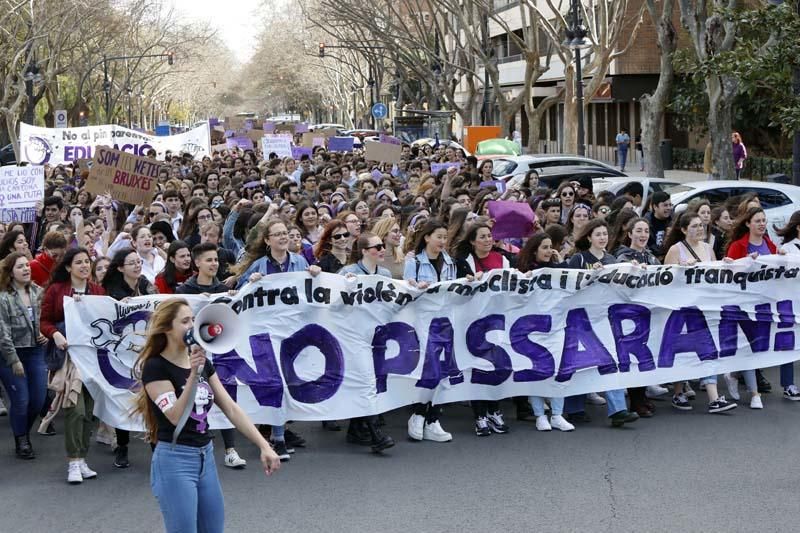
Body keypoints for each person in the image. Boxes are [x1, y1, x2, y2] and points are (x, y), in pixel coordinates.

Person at [134, 299, 280, 533]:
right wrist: (193, 374)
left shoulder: (204, 364)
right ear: (167, 328)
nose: (192, 325)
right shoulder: (155, 367)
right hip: (175, 460)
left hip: (206, 457)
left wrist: (263, 445)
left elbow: (231, 408)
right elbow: (173, 415)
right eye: (185, 321)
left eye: (193, 319)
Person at [233, 219, 320, 459]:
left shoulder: (300, 261)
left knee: (289, 383)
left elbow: (312, 291)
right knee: (276, 383)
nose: (284, 237)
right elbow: (240, 293)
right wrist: (249, 283)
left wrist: (315, 274)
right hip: (266, 333)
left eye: (286, 233)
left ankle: (276, 433)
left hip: (292, 332)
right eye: (278, 234)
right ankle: (278, 438)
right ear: (267, 240)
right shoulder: (259, 265)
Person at [40, 248, 105, 484]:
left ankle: (82, 458)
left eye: (87, 262)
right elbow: (44, 321)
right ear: (68, 267)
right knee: (74, 409)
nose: (85, 266)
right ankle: (73, 461)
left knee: (88, 411)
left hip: (92, 358)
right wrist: (55, 334)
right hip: (69, 357)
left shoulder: (97, 291)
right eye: (79, 262)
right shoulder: (56, 290)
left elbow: (105, 320)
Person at [566, 219, 640, 427]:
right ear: (589, 237)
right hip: (580, 319)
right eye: (598, 234)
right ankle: (574, 408)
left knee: (611, 361)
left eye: (605, 234)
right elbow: (570, 287)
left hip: (605, 318)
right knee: (579, 364)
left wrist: (632, 270)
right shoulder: (579, 259)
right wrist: (590, 276)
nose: (602, 238)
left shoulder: (612, 259)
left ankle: (618, 410)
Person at [663, 212, 737, 413]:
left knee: (708, 350)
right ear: (684, 229)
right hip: (682, 310)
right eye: (694, 226)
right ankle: (678, 392)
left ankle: (713, 398)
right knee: (682, 353)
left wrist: (727, 266)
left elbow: (715, 275)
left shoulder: (707, 249)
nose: (699, 229)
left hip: (704, 308)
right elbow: (663, 281)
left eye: (700, 225)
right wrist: (680, 268)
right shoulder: (675, 250)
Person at [725, 207, 798, 404]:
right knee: (749, 345)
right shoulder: (738, 245)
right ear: (748, 224)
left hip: (766, 303)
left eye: (764, 220)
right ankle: (754, 393)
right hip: (744, 303)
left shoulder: (769, 245)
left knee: (760, 344)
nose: (762, 224)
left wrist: (781, 257)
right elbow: (728, 273)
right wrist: (746, 262)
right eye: (757, 220)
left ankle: (733, 373)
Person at [337, 233, 396, 452]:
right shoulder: (347, 272)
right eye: (377, 246)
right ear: (363, 251)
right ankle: (375, 434)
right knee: (366, 381)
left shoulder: (386, 273)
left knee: (372, 380)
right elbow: (332, 304)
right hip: (354, 336)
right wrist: (346, 289)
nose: (382, 249)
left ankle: (356, 427)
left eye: (382, 246)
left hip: (378, 335)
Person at [452, 221, 511, 436]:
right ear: (472, 241)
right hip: (473, 322)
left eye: (489, 236)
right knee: (478, 367)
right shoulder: (463, 262)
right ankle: (480, 415)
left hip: (496, 321)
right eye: (483, 236)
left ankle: (495, 409)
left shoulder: (503, 259)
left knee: (497, 367)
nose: (488, 240)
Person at [513, 233, 575, 432]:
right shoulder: (522, 271)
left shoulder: (557, 270)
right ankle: (540, 415)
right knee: (536, 372)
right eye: (545, 247)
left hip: (555, 327)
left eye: (551, 247)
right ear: (534, 250)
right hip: (531, 330)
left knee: (559, 371)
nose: (549, 251)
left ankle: (557, 414)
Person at [403, 219, 456, 443]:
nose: (442, 241)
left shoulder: (450, 263)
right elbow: (405, 292)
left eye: (445, 237)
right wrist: (415, 287)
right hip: (423, 322)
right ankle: (418, 413)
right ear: (427, 237)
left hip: (446, 321)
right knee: (429, 368)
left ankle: (431, 417)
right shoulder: (414, 262)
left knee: (443, 370)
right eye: (439, 237)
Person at [0, 253, 48, 459]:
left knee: (38, 399)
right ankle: (22, 440)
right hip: (10, 353)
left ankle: (22, 430)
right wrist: (14, 360)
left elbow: (48, 318)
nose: (26, 269)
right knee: (21, 399)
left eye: (27, 265)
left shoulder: (39, 292)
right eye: (20, 267)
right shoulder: (3, 297)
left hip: (35, 351)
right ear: (11, 272)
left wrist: (46, 332)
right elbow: (2, 333)